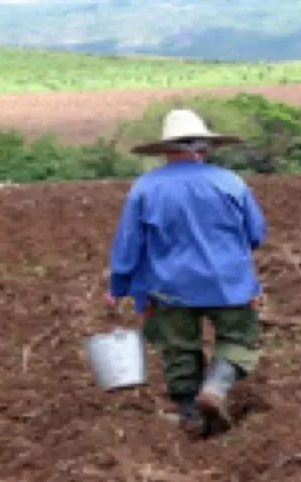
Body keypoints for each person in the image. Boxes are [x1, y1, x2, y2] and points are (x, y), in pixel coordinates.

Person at [107, 109, 267, 438]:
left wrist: (119, 286)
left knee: (178, 348)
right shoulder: (230, 182)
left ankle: (189, 413)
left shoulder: (144, 188)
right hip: (229, 282)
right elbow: (256, 234)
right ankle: (217, 387)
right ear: (203, 148)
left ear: (166, 150)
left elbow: (129, 243)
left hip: (168, 286)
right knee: (239, 338)